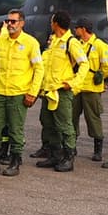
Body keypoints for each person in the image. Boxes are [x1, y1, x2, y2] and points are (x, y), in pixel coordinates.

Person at [0, 8, 41, 176]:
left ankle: (15, 161)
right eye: (8, 21)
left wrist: (32, 93)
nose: (10, 24)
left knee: (15, 129)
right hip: (1, 92)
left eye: (14, 21)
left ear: (22, 23)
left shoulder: (30, 43)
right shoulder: (2, 41)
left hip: (19, 94)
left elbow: (39, 70)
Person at [34, 11, 81, 173]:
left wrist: (73, 83)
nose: (50, 23)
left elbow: (85, 64)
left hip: (61, 91)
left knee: (65, 125)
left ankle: (69, 158)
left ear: (56, 23)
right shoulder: (53, 41)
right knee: (48, 122)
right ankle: (55, 154)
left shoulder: (71, 42)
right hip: (48, 91)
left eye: (52, 21)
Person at [71, 19, 108, 161]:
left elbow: (107, 66)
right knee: (71, 117)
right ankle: (71, 146)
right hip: (77, 87)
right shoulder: (76, 44)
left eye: (77, 28)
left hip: (92, 89)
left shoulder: (100, 45)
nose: (75, 30)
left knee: (93, 118)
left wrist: (100, 77)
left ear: (83, 29)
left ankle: (97, 149)